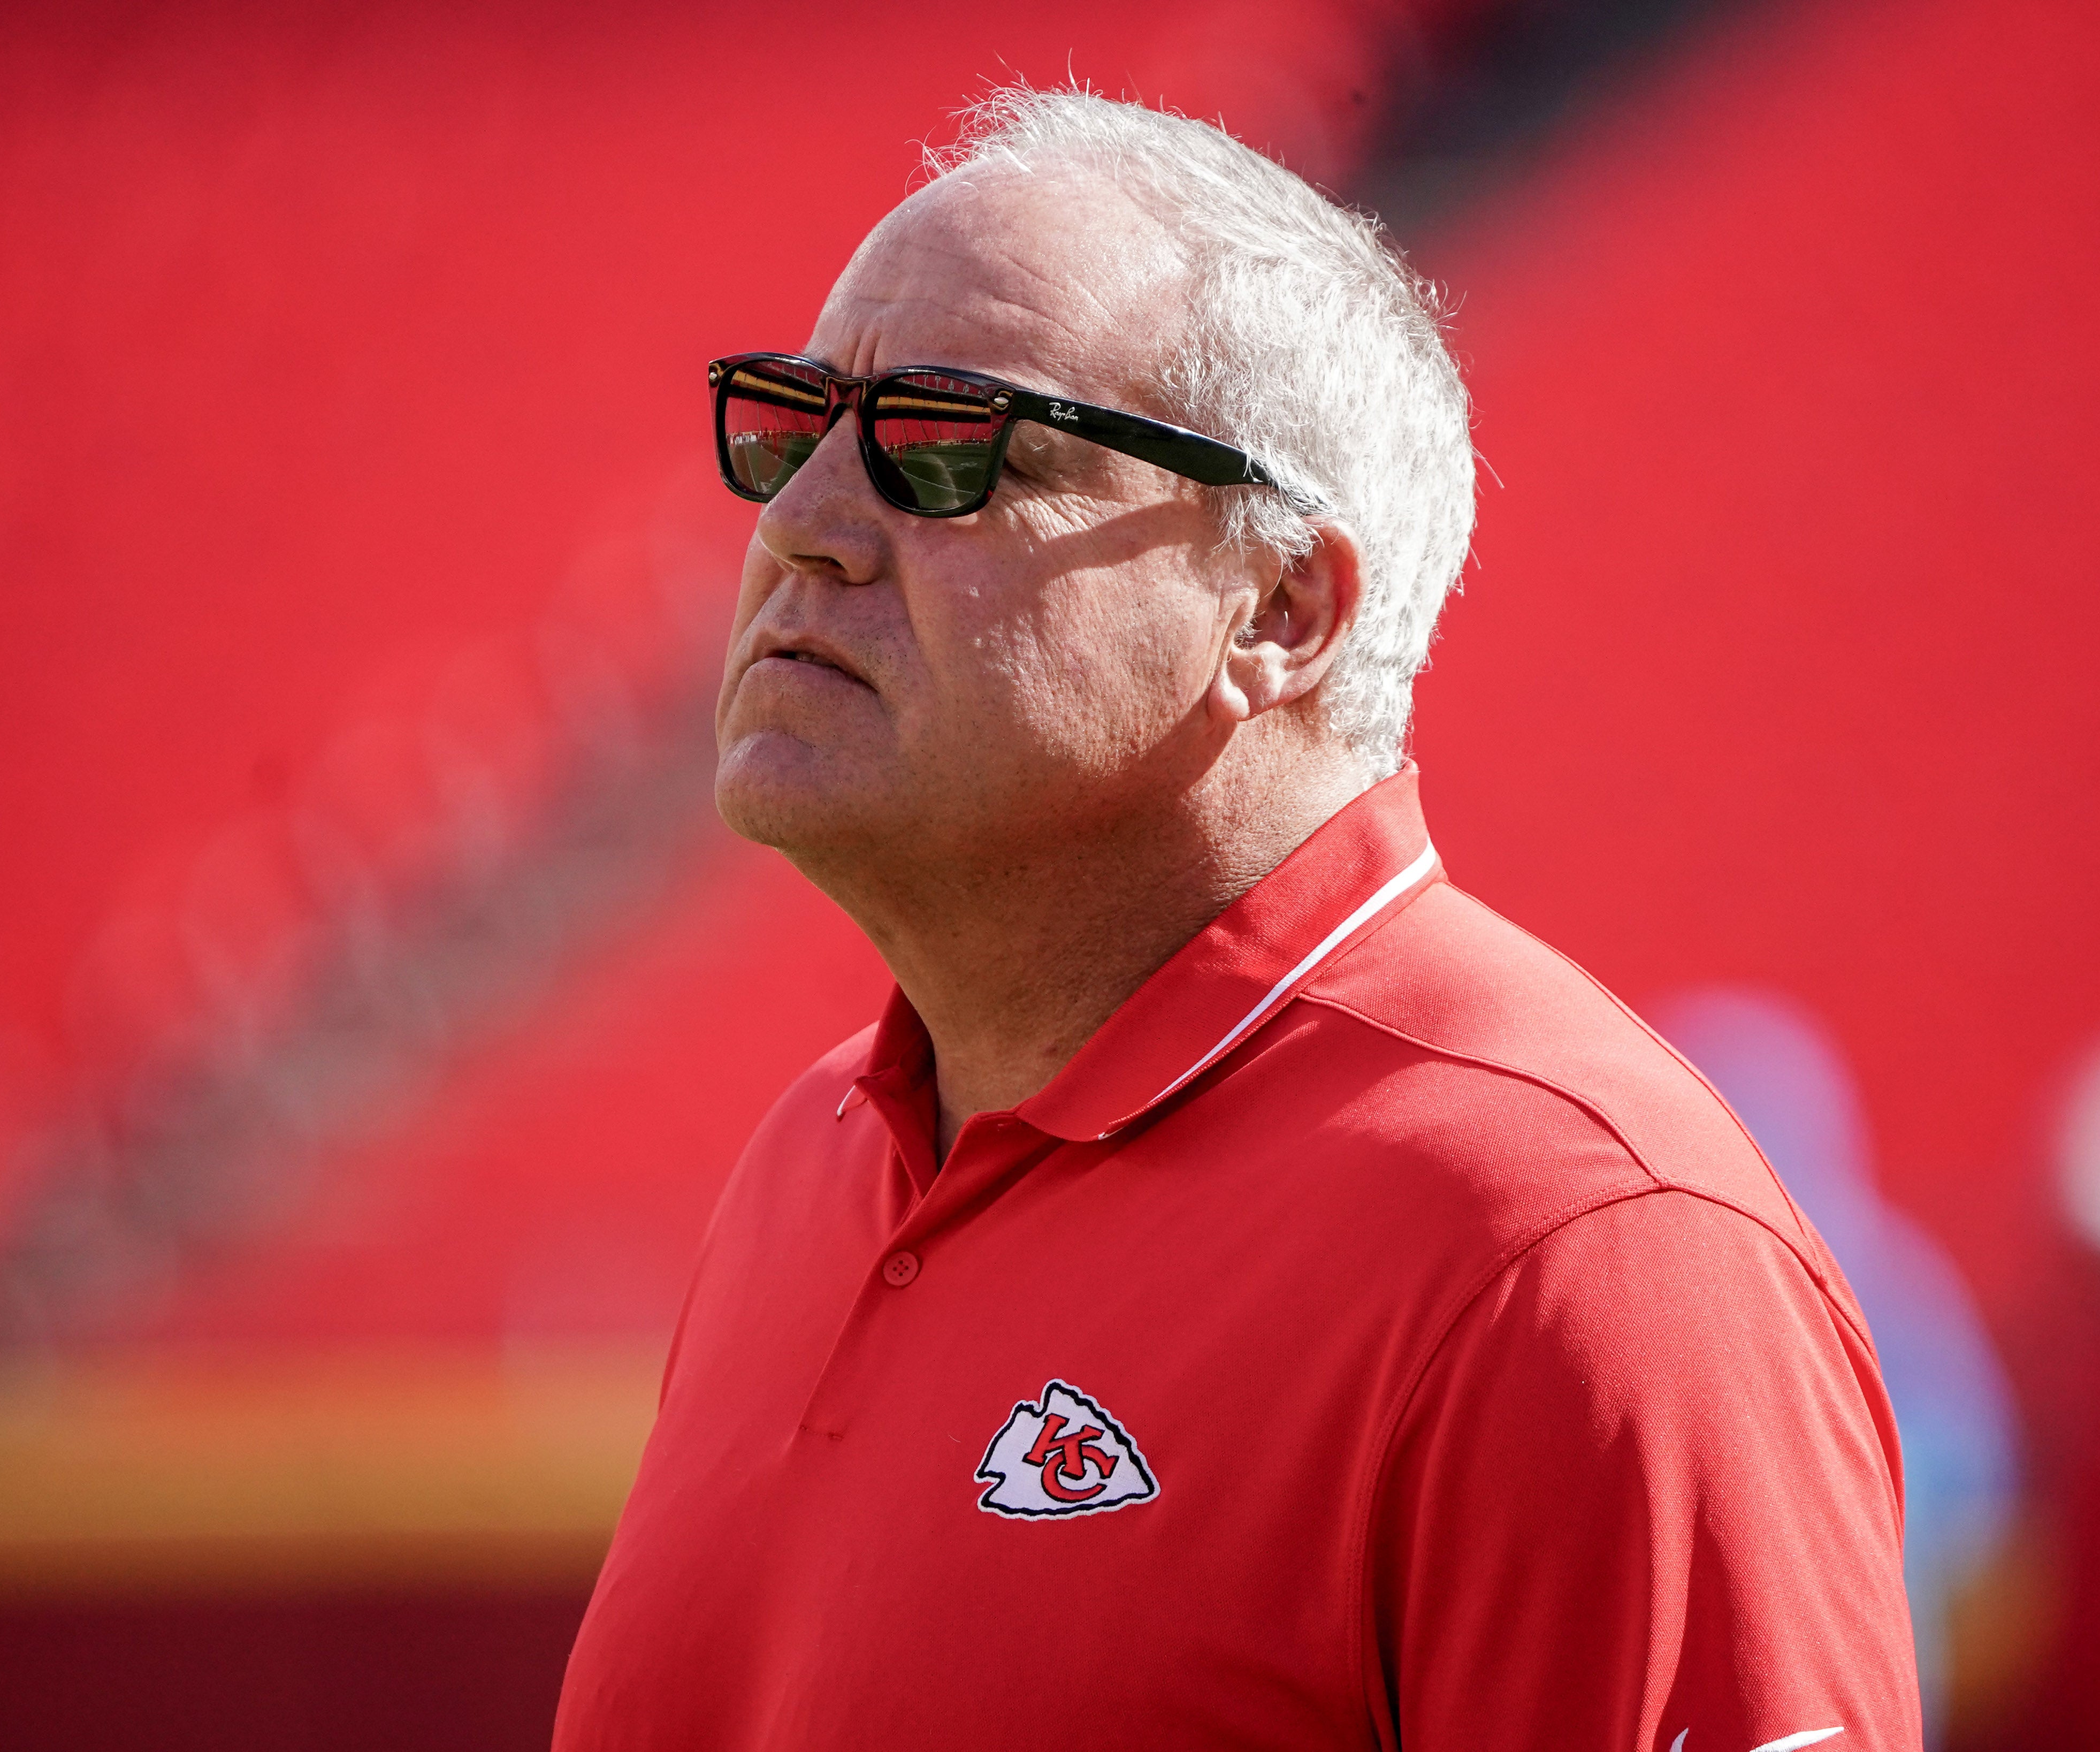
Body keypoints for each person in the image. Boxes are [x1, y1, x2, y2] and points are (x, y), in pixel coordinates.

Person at [554, 87, 1919, 1751]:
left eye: (948, 445)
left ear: (1280, 607)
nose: (801, 527)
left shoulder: (1581, 1250)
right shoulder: (811, 1155)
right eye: (792, 428)